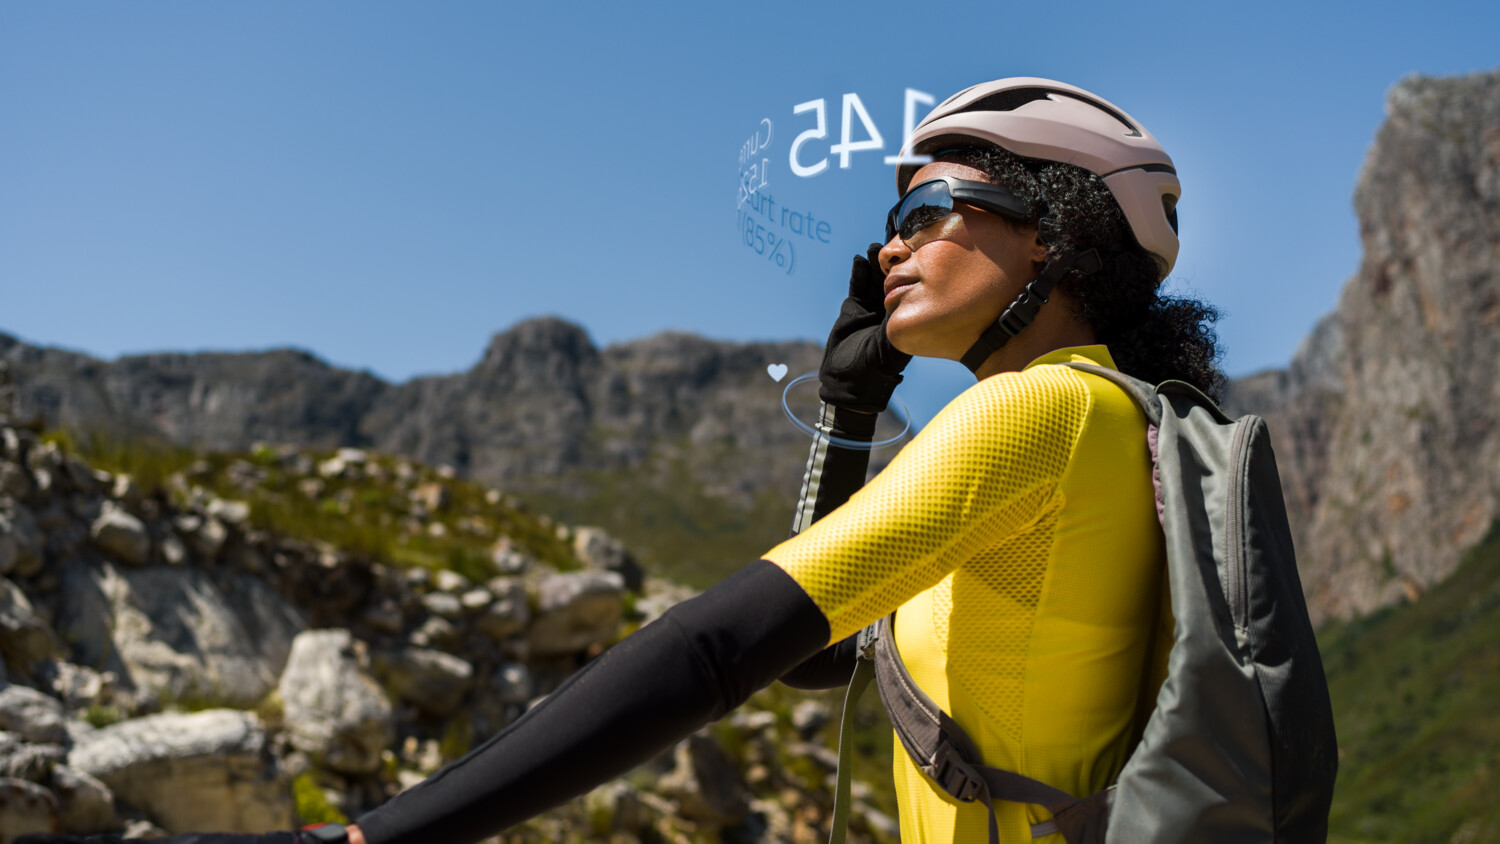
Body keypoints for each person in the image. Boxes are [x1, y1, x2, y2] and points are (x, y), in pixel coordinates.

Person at [22, 77, 1222, 844]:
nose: (891, 245)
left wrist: (369, 839)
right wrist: (853, 404)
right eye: (887, 217)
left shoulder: (1034, 418)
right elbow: (825, 668)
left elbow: (716, 648)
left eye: (930, 210)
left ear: (1053, 232)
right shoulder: (1105, 417)